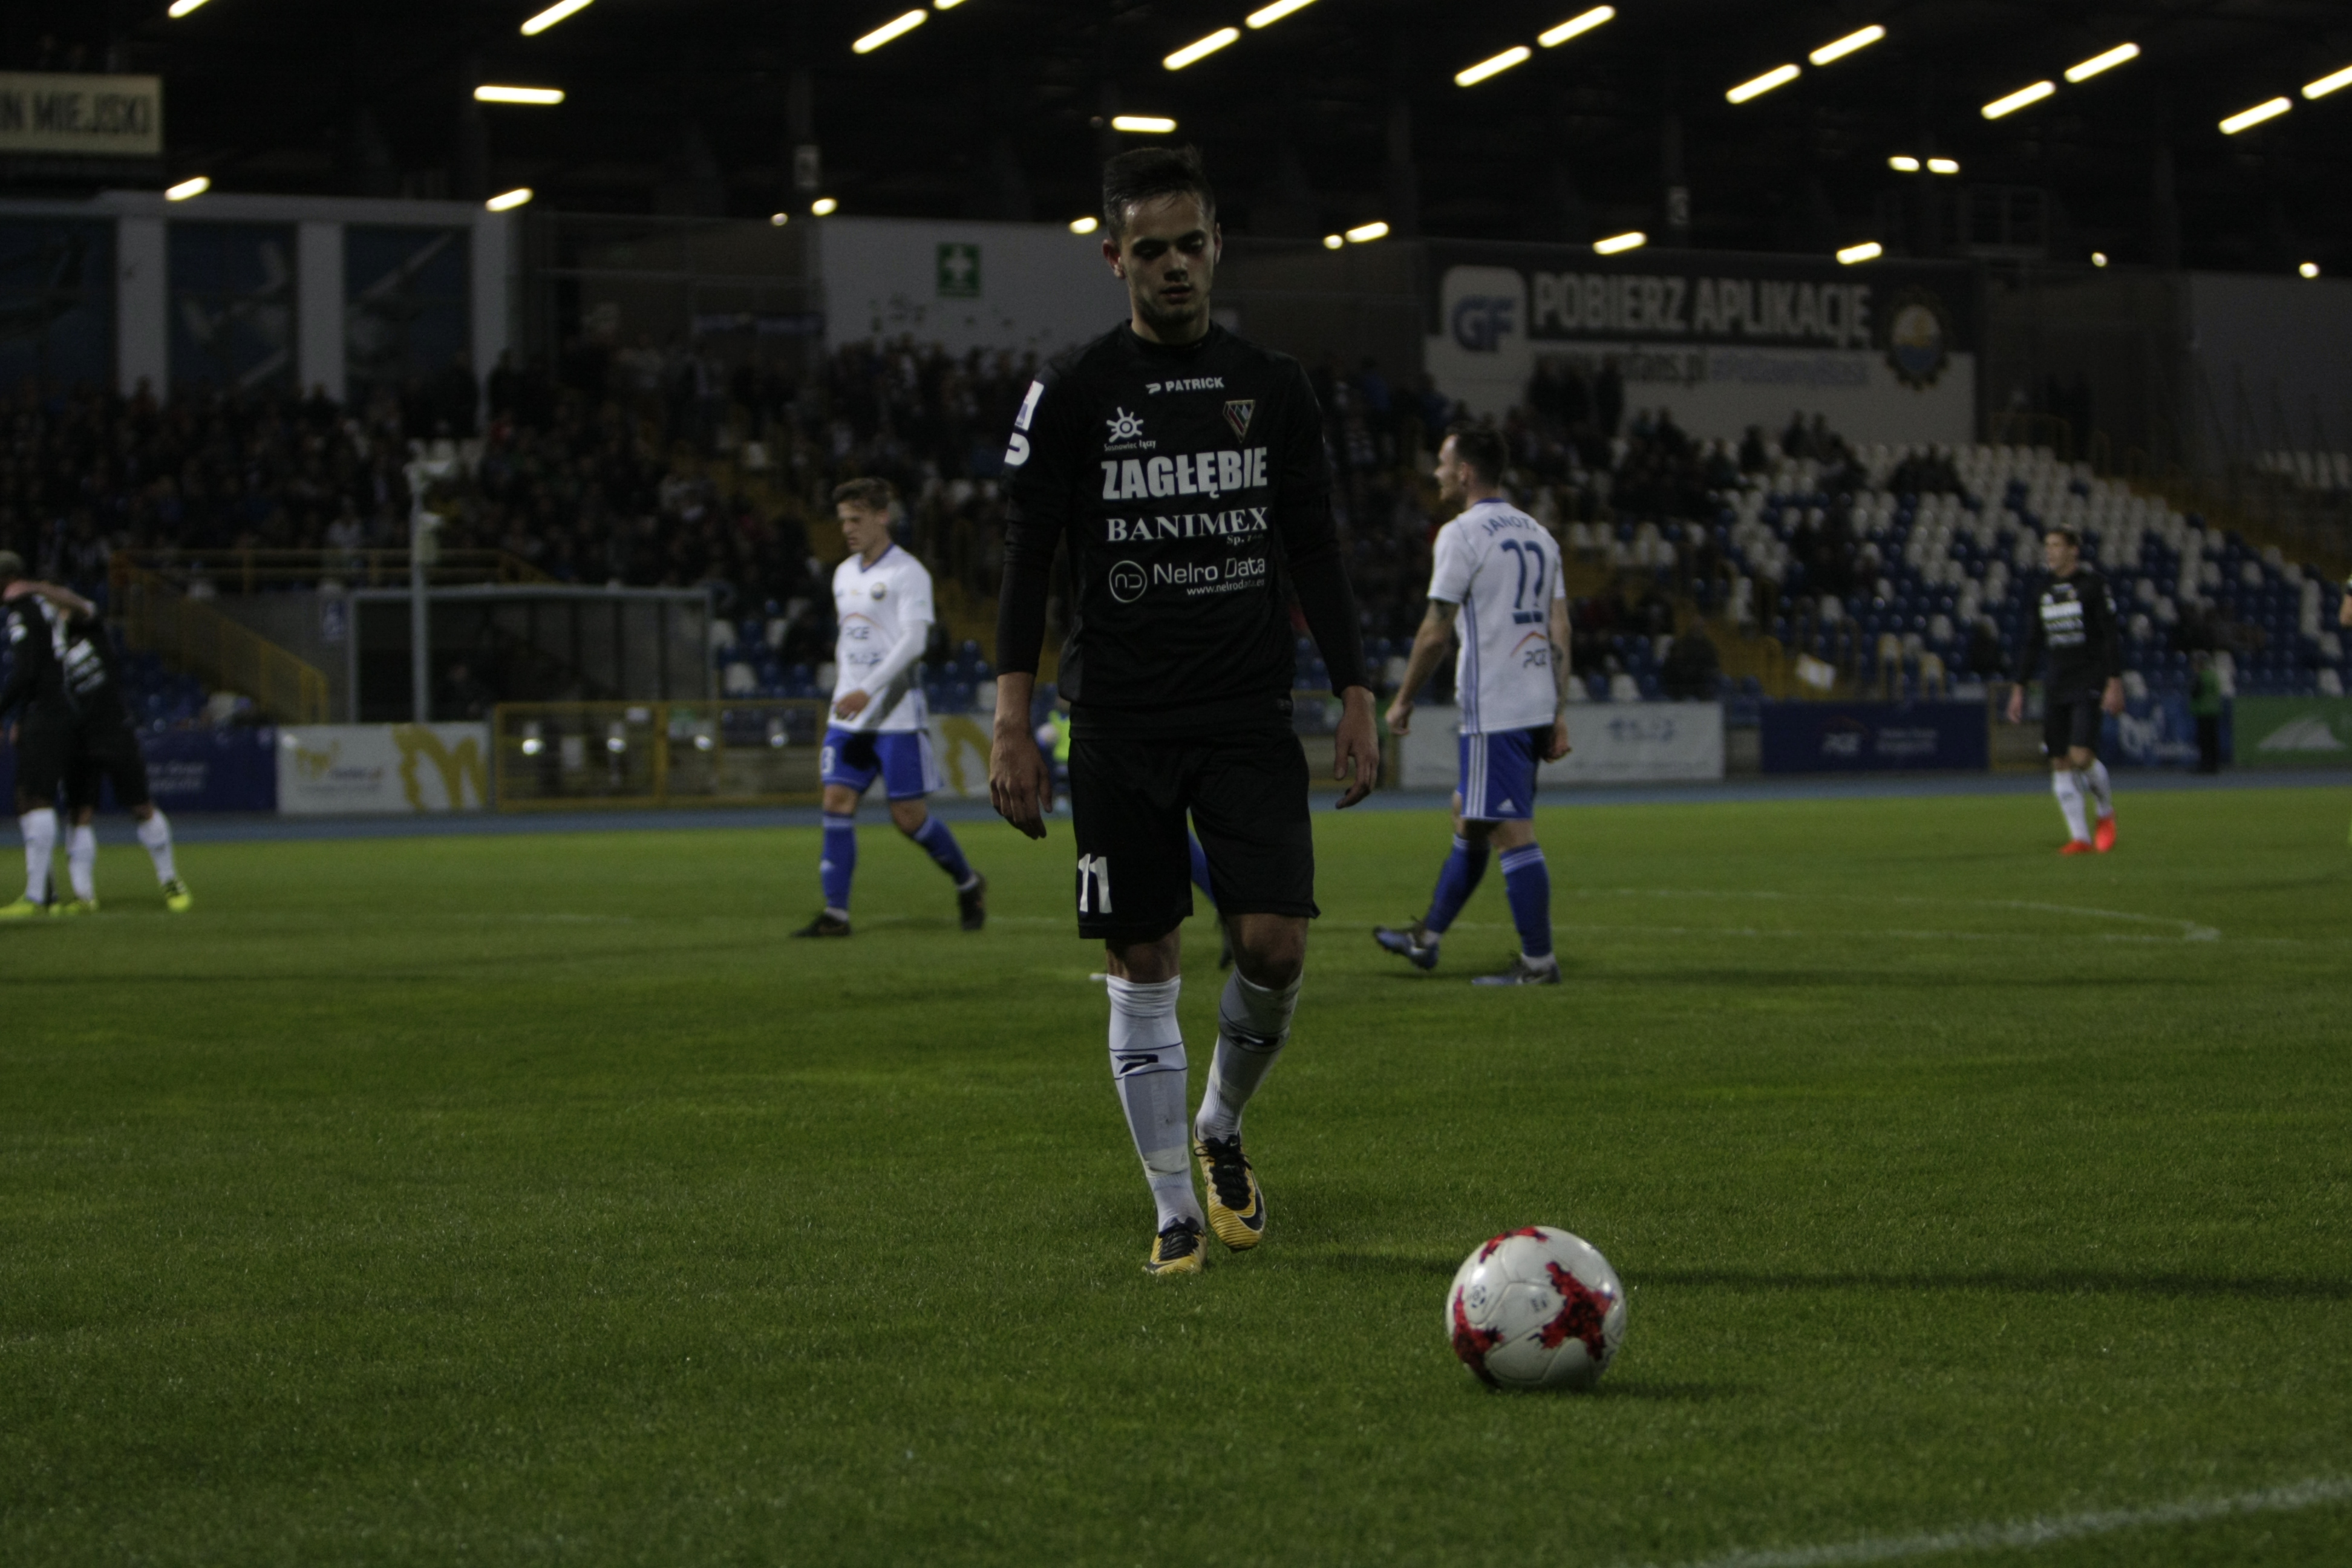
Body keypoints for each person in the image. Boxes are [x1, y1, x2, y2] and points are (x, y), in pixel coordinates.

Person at [986, 145, 1377, 1277]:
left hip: (1247, 711)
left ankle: (1218, 1123)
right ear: (1114, 258)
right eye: (1149, 249)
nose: (1172, 266)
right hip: (1117, 719)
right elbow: (1025, 561)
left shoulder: (1275, 386)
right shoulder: (1070, 392)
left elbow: (1314, 549)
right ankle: (1172, 1210)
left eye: (1189, 245)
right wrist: (1011, 722)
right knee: (1142, 952)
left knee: (1274, 944)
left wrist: (1356, 691)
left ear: (1217, 248)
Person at [1373, 426, 1572, 984]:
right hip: (1534, 698)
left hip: (1496, 705)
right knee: (1470, 814)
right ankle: (1426, 939)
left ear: (1464, 472)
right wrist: (1558, 710)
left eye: (1442, 463)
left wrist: (1403, 699)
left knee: (1510, 830)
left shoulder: (1461, 534)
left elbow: (1436, 631)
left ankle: (1539, 964)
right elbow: (1559, 627)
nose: (1436, 472)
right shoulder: (1539, 534)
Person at [792, 478, 986, 938]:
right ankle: (836, 915)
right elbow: (850, 641)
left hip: (896, 717)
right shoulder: (843, 574)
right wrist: (848, 690)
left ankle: (968, 881)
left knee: (908, 819)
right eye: (843, 521)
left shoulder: (908, 573)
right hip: (849, 717)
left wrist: (869, 689)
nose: (847, 529)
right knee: (836, 801)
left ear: (883, 517)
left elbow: (914, 642)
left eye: (856, 519)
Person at [0, 559, 190, 916]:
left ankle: (170, 880)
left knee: (141, 806)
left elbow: (82, 606)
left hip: (113, 728)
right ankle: (84, 895)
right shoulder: (50, 647)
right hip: (75, 735)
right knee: (79, 813)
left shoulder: (89, 628)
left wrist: (39, 588)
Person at [2005, 525, 2124, 853]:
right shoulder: (2043, 591)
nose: (2050, 551)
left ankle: (2105, 812)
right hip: (2057, 683)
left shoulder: (2093, 586)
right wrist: (2019, 687)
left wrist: (2114, 681)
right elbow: (2033, 642)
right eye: (2048, 545)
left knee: (2081, 756)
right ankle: (2080, 838)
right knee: (2059, 761)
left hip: (2088, 679)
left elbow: (2110, 636)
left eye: (2057, 545)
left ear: (2074, 550)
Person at [2189, 650, 2223, 774]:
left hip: (2203, 711)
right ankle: (2214, 765)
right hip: (2214, 711)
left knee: (2204, 741)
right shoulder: (2214, 676)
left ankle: (2205, 765)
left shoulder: (2201, 676)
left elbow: (2195, 693)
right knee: (2213, 740)